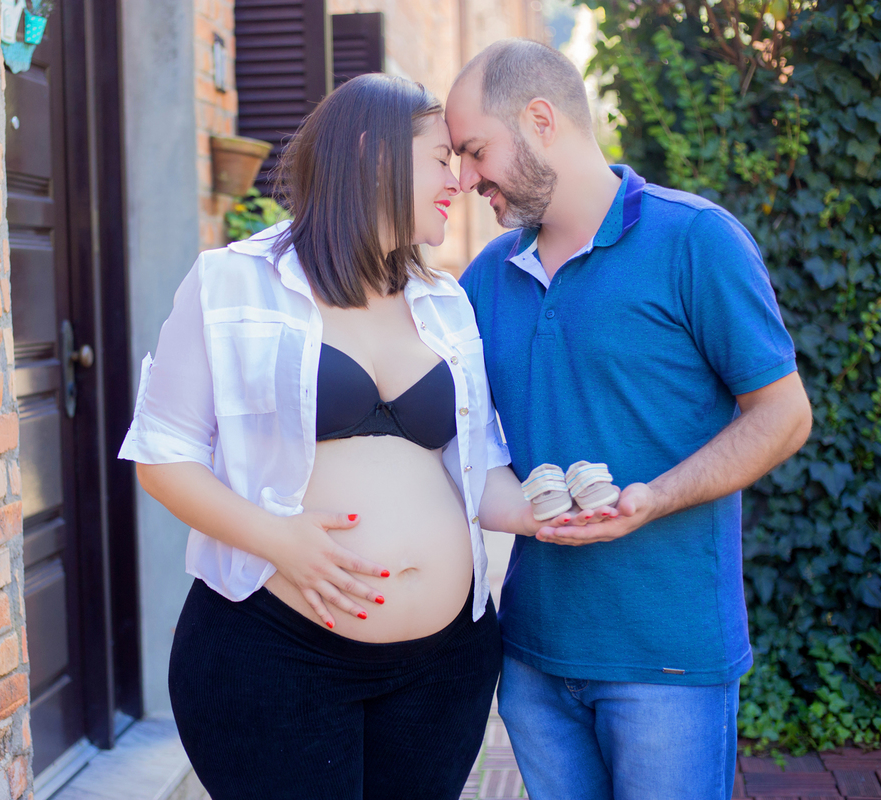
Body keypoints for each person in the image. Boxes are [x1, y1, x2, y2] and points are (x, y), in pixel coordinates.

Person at [118, 73, 617, 800]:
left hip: (444, 668)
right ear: (372, 154)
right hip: (276, 656)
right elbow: (163, 457)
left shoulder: (445, 303)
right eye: (441, 159)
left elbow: (477, 472)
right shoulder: (231, 282)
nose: (460, 180)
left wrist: (546, 513)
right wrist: (279, 539)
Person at [445, 39, 813, 800]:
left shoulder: (695, 240)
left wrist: (660, 496)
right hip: (533, 659)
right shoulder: (485, 278)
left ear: (541, 119)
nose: (466, 178)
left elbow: (783, 415)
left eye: (476, 151)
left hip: (668, 662)